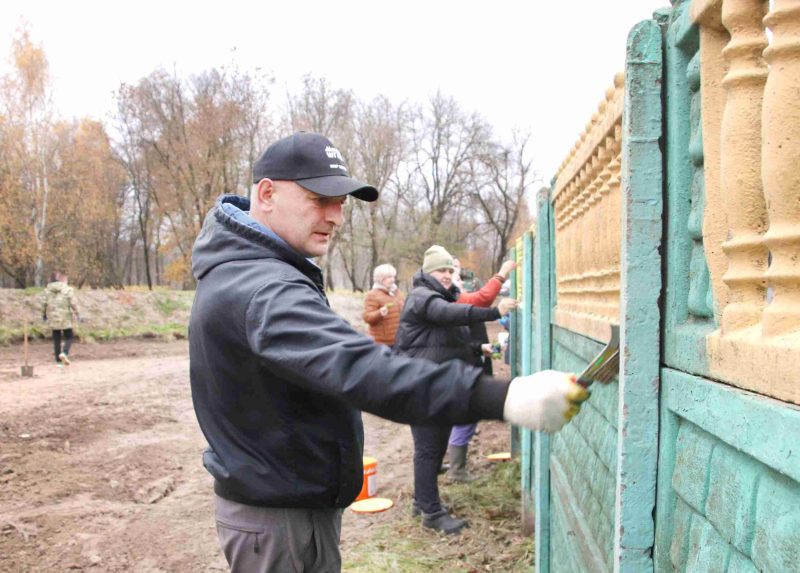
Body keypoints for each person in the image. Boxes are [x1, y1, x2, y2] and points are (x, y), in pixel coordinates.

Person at [189, 132, 589, 572]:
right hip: (279, 520)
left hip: (287, 507)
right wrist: (505, 397)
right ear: (267, 193)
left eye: (341, 202)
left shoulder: (256, 272)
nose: (336, 216)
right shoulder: (263, 287)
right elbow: (358, 368)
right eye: (320, 198)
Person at [393, 247, 518, 534]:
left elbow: (447, 342)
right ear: (427, 272)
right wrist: (494, 311)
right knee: (428, 450)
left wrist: (479, 348)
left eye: (450, 270)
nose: (447, 275)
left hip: (436, 384)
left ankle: (420, 501)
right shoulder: (423, 297)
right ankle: (432, 513)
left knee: (433, 448)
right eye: (441, 270)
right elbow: (449, 315)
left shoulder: (438, 295)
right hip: (420, 383)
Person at [446, 257, 517, 482]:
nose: (455, 275)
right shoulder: (453, 298)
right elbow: (483, 299)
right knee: (465, 415)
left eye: (455, 270)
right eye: (450, 271)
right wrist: (503, 272)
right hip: (465, 365)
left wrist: (483, 347)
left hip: (470, 358)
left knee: (460, 416)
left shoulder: (452, 296)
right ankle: (456, 470)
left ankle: (452, 465)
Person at [41, 272, 81, 367]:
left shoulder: (47, 291)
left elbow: (43, 304)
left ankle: (58, 362)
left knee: (56, 339)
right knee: (69, 336)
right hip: (65, 317)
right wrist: (78, 313)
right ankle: (65, 353)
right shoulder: (67, 290)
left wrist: (44, 315)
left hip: (53, 317)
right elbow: (73, 303)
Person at [362, 263, 405, 348]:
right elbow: (367, 317)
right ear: (380, 279)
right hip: (381, 343)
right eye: (389, 277)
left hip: (399, 341)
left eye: (393, 277)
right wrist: (379, 313)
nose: (392, 280)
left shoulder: (398, 293)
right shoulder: (372, 295)